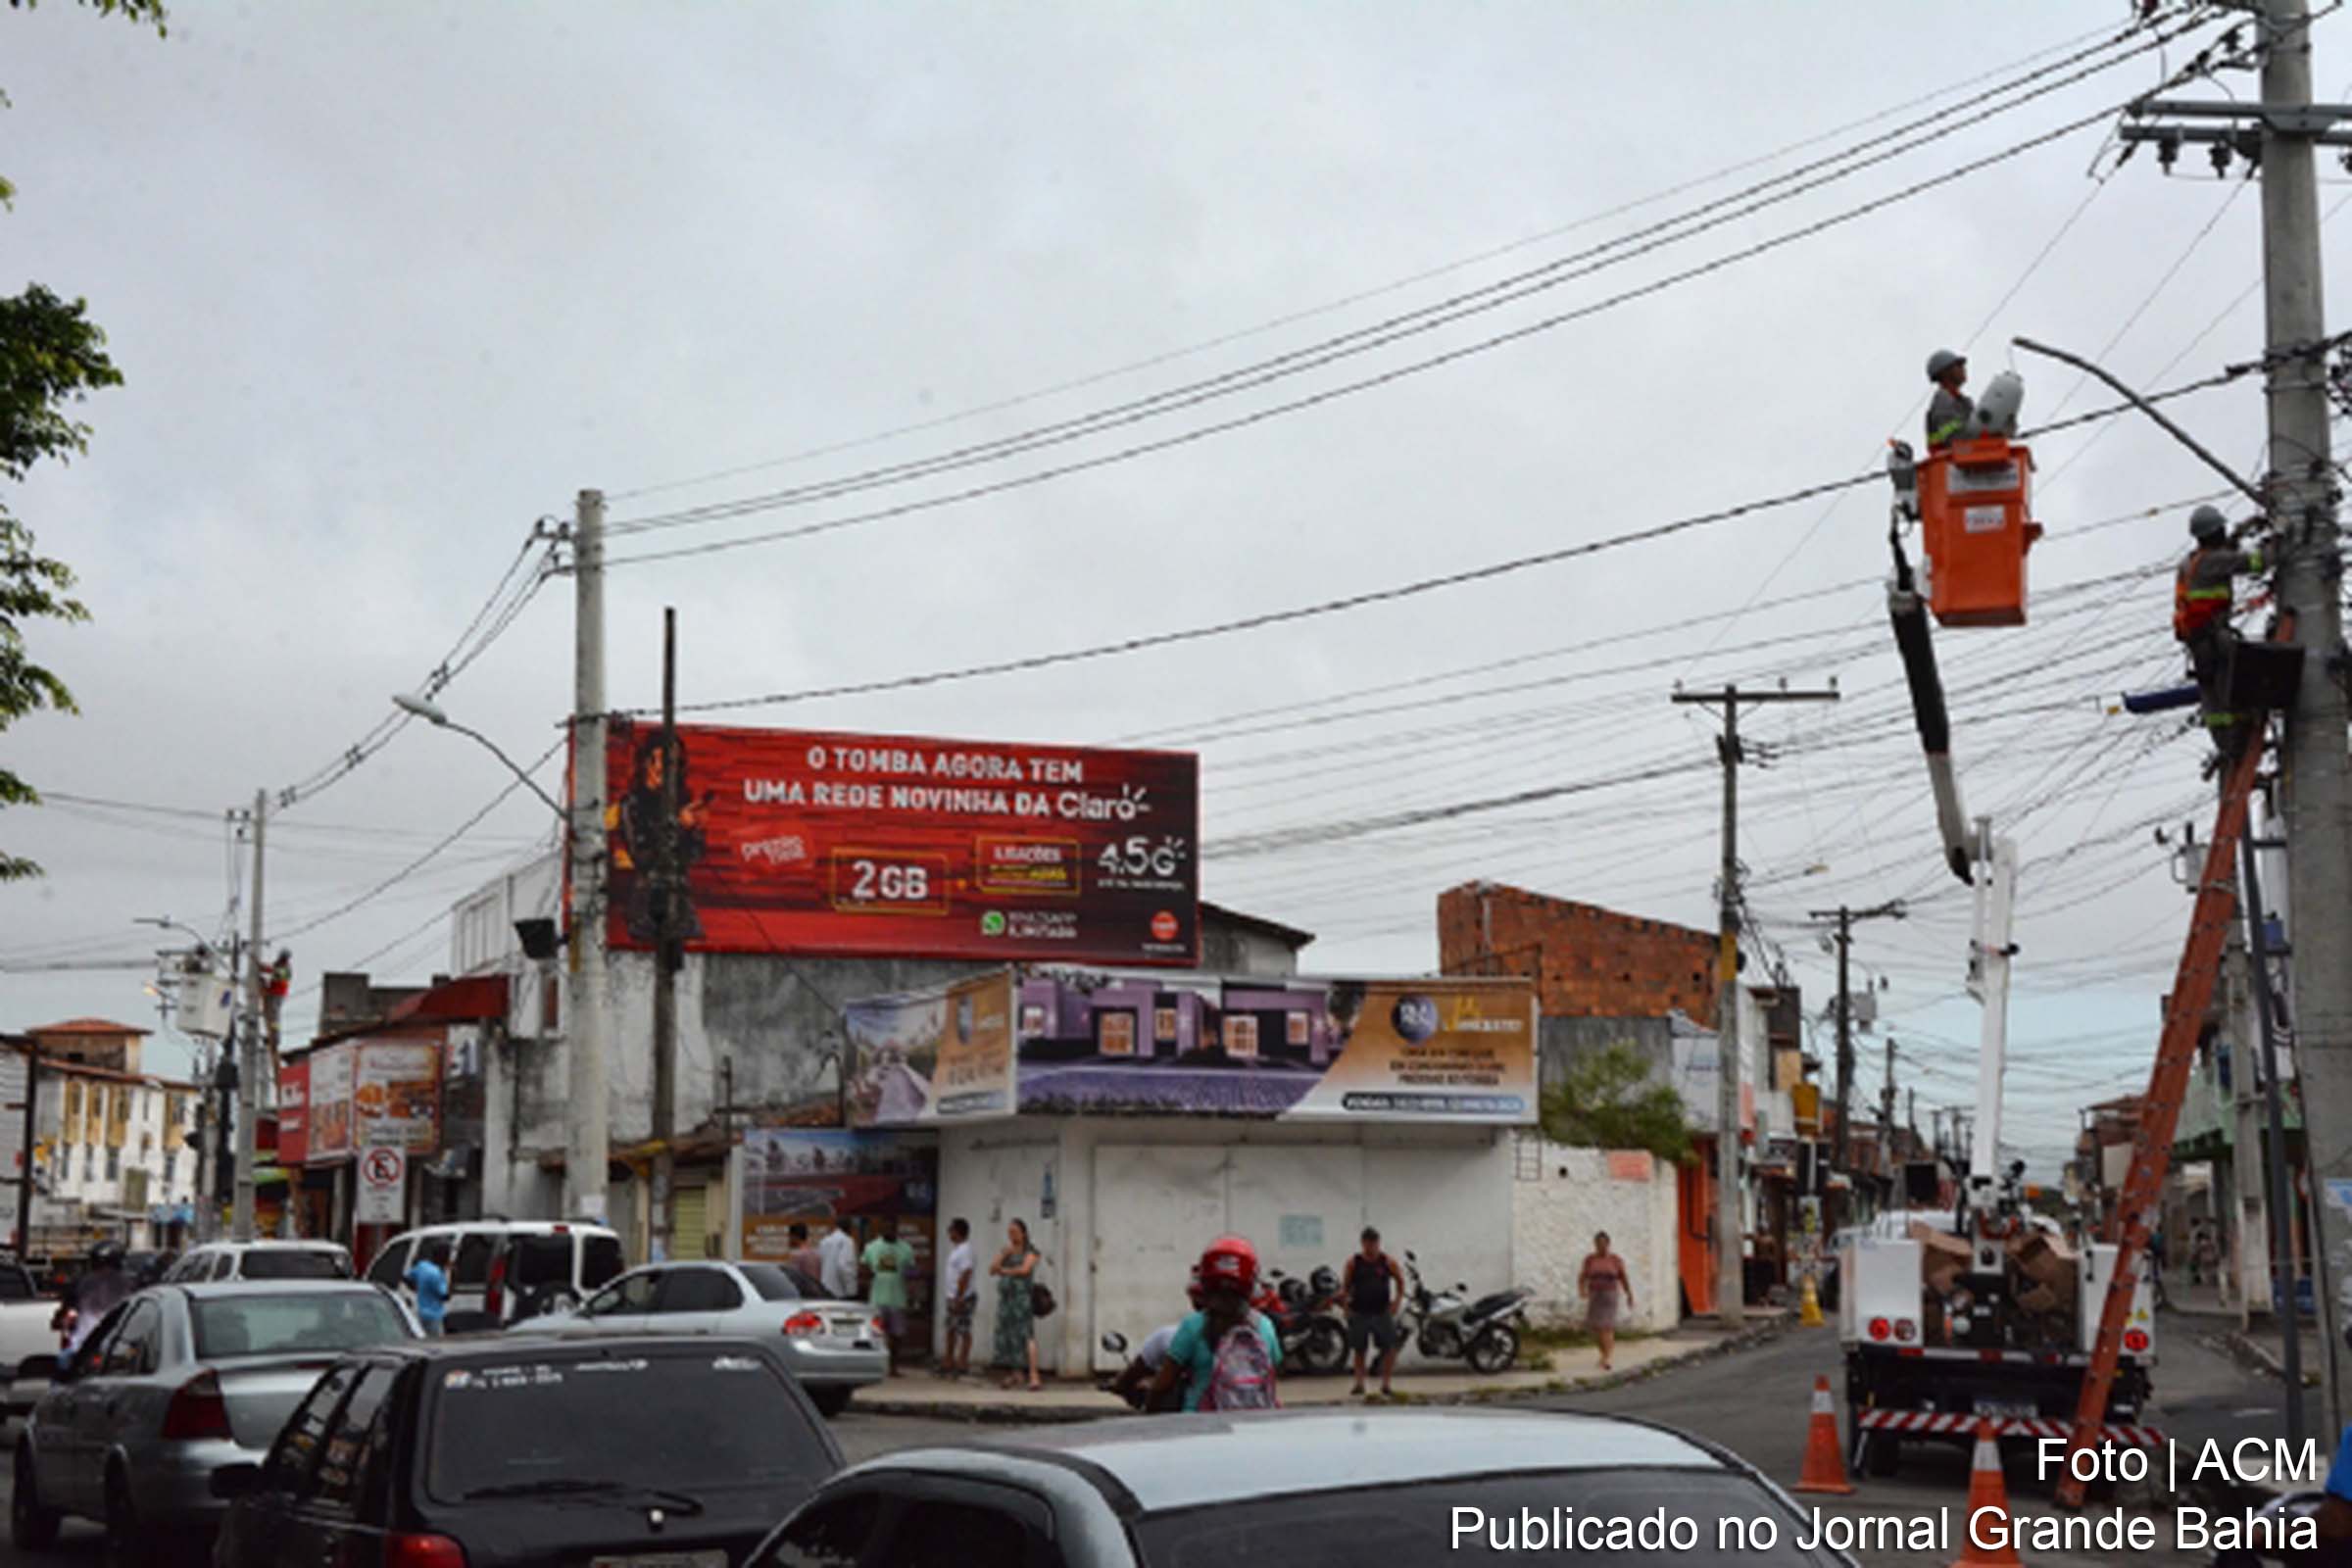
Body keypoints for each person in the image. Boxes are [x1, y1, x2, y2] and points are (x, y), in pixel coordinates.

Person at [2175, 504, 2270, 759]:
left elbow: (2225, 556)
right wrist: (2279, 540)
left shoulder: (2189, 563)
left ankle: (2228, 744)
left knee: (2212, 695)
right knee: (2233, 683)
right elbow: (2257, 562)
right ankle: (2237, 737)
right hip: (2214, 636)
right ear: (2215, 533)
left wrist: (2241, 534)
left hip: (2196, 638)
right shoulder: (2213, 561)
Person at [1149, 1236, 1282, 1412]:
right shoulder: (1265, 1326)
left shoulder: (1193, 1326)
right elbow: (1272, 1374)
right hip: (1253, 1426)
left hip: (1199, 1427)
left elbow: (1162, 1385)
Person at [1342, 1226, 1403, 1397]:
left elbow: (1400, 1282)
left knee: (1389, 1348)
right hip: (1360, 1311)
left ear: (1378, 1243)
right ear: (1363, 1244)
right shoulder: (1354, 1263)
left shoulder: (1387, 1262)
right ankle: (1359, 1383)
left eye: (1374, 1243)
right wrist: (1346, 1307)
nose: (1371, 1247)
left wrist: (1397, 1302)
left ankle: (1386, 1384)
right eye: (1367, 1243)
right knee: (1360, 1349)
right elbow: (1346, 1287)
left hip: (1381, 1311)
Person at [990, 1218, 1044, 1392]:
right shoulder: (1007, 1250)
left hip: (1021, 1299)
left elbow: (1024, 1270)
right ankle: (1016, 1372)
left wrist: (1004, 1271)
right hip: (1007, 1300)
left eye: (1015, 1232)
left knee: (1027, 1335)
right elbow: (992, 1269)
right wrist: (1004, 1255)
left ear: (1023, 1233)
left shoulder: (1031, 1251)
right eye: (1009, 1232)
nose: (1012, 1236)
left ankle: (1034, 1375)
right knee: (1010, 1336)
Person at [860, 1217, 917, 1376]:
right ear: (881, 1230)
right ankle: (875, 1366)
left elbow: (911, 1270)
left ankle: (893, 1367)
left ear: (896, 1230)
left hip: (897, 1298)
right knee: (875, 1334)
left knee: (897, 1335)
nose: (888, 1231)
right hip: (877, 1298)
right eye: (885, 1228)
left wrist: (911, 1284)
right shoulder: (872, 1247)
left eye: (891, 1229)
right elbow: (864, 1267)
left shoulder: (906, 1249)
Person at [56, 1241, 133, 1356]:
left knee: (63, 1364)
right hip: (118, 1347)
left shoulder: (81, 1283)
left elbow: (64, 1312)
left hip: (84, 1347)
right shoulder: (130, 1284)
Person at [1579, 1231, 1634, 1371]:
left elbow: (1623, 1277)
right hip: (1595, 1295)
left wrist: (1629, 1294)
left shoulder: (1615, 1260)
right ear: (1595, 1244)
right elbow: (1583, 1276)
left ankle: (1606, 1359)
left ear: (1608, 1244)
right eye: (1598, 1244)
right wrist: (1582, 1290)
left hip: (1610, 1295)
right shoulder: (1590, 1259)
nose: (1601, 1246)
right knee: (1597, 1328)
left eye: (1604, 1243)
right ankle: (1603, 1354)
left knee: (1607, 1327)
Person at [940, 1218, 976, 1378]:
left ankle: (963, 1361)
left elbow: (966, 1273)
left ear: (958, 1232)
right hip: (952, 1295)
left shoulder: (965, 1250)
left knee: (963, 1329)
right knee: (951, 1328)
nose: (949, 1233)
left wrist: (959, 1297)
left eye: (951, 1230)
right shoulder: (957, 1250)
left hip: (962, 1297)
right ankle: (948, 1360)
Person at [1925, 348, 1972, 451]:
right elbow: (1953, 437)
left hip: (1964, 457)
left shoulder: (1964, 402)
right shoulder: (1943, 399)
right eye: (1958, 365)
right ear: (1945, 372)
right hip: (1951, 460)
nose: (1963, 368)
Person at [404, 1241, 451, 1337]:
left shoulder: (422, 1266)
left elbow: (406, 1278)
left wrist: (416, 1288)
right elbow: (445, 1296)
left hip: (421, 1313)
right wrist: (453, 1277)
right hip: (434, 1316)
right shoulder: (437, 1274)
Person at [817, 1215, 859, 1299]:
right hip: (840, 1291)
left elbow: (821, 1262)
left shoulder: (825, 1241)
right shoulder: (847, 1241)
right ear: (849, 1227)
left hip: (825, 1288)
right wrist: (851, 1290)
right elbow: (844, 1266)